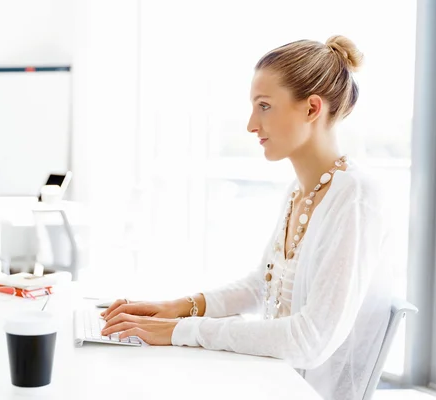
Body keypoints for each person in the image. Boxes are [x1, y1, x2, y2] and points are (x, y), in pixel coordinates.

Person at [101, 35, 393, 400]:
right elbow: (262, 286)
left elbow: (310, 340)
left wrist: (182, 330)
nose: (251, 124)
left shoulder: (356, 198)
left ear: (312, 109)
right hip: (271, 376)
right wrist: (178, 308)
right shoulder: (300, 191)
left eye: (265, 106)